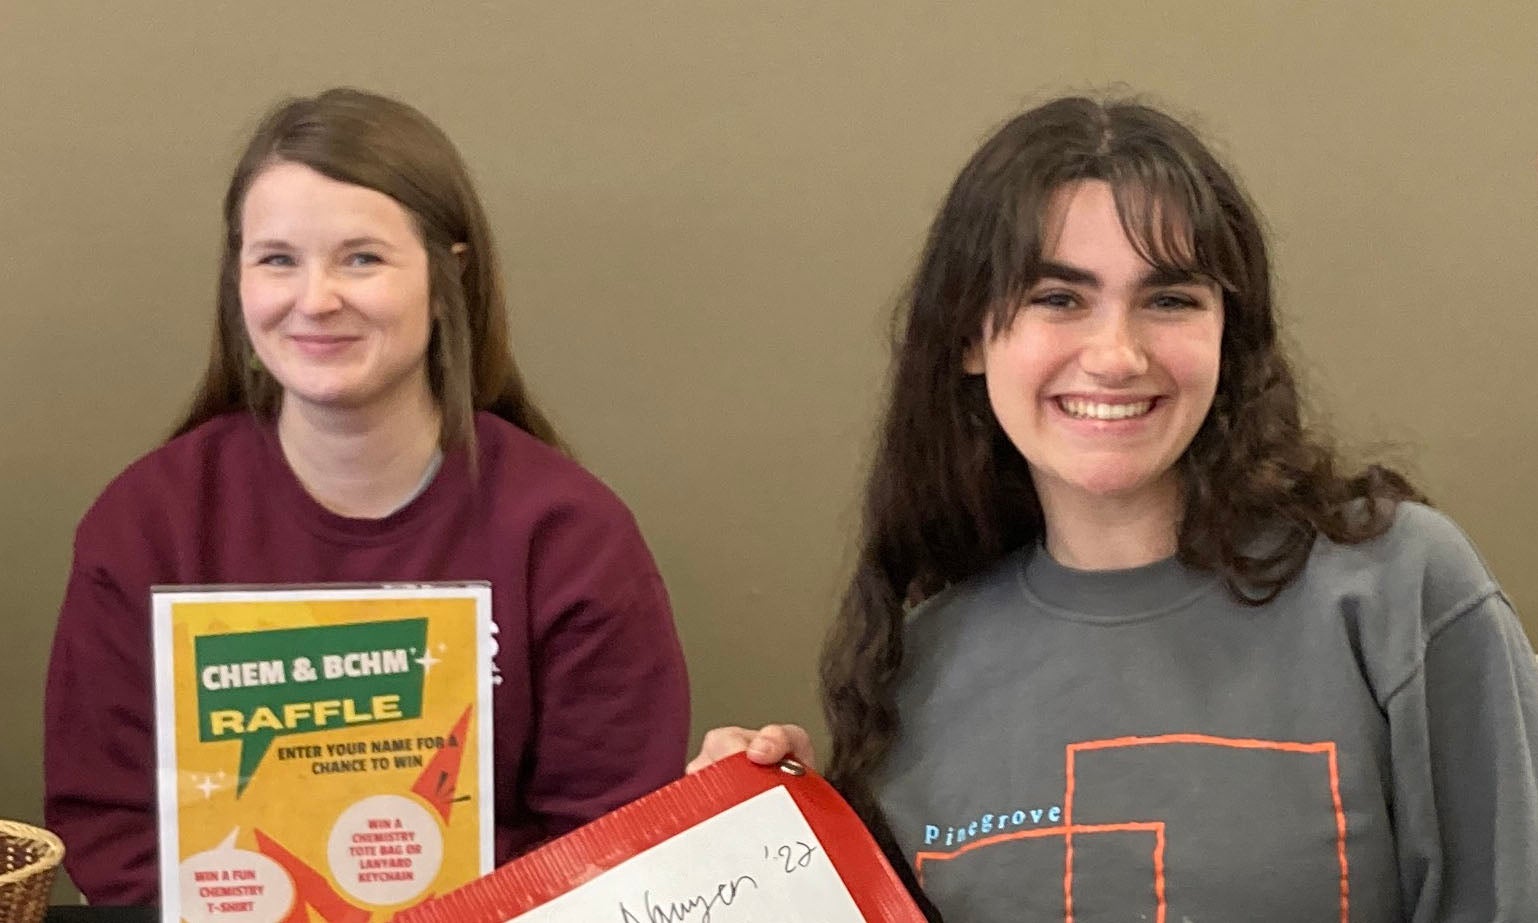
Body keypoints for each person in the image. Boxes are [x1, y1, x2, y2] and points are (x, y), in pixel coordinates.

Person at [691, 96, 1538, 921]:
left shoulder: (1400, 591)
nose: (1116, 354)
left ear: (1227, 337)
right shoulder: (918, 664)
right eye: (1058, 298)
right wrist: (781, 845)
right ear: (971, 337)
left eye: (1170, 299)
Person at [43, 88, 690, 906]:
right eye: (276, 258)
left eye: (362, 258)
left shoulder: (568, 535)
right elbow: (107, 818)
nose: (315, 299)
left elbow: (607, 832)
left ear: (446, 272)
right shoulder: (147, 523)